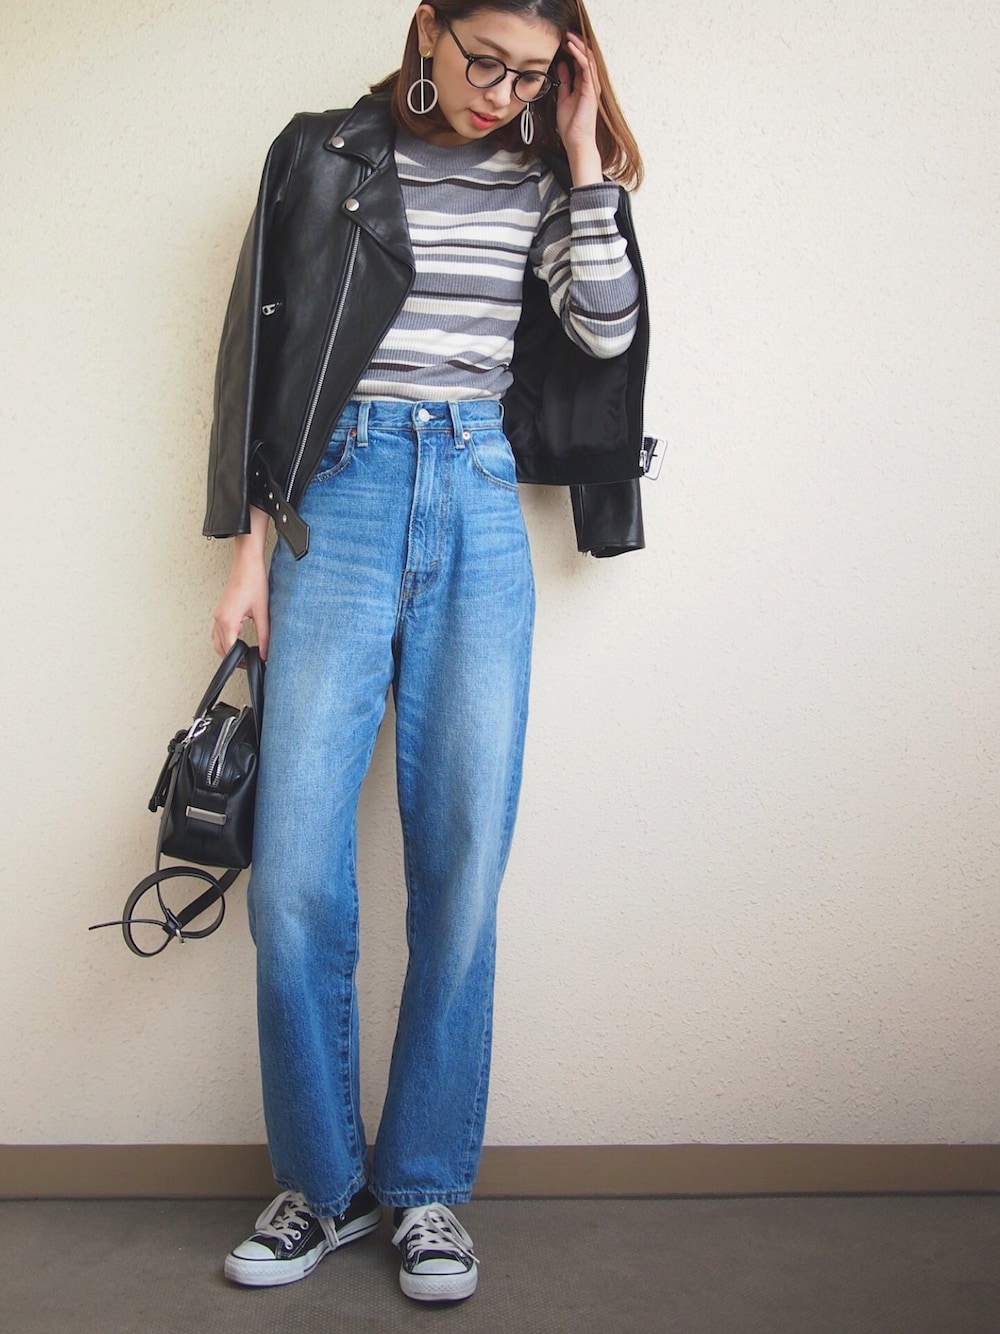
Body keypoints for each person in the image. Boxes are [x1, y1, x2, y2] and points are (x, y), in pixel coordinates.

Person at [205, 0, 649, 1304]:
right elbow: (265, 358)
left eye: (532, 73)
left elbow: (606, 331)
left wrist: (582, 152)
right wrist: (246, 553)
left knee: (461, 866)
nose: (499, 92)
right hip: (334, 508)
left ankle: (425, 1185)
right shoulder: (325, 153)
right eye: (483, 60)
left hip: (474, 495)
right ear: (427, 29)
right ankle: (320, 1181)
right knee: (294, 876)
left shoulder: (545, 174)